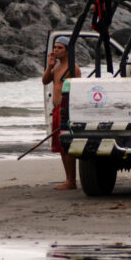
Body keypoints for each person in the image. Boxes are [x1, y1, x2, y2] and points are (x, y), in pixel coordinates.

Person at [42, 35, 82, 190]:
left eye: (60, 48)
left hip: (66, 110)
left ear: (66, 51)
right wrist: (49, 65)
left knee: (67, 145)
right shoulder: (56, 66)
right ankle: (68, 179)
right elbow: (45, 81)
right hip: (57, 109)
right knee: (60, 146)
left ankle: (71, 181)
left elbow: (77, 89)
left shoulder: (73, 68)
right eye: (55, 47)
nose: (56, 50)